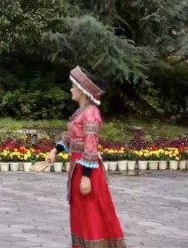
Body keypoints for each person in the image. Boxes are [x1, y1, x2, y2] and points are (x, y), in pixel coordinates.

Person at [45, 66, 127, 248]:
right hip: (77, 168)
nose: (71, 89)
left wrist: (86, 177)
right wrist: (55, 151)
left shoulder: (91, 113)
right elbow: (70, 137)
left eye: (73, 86)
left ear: (82, 91)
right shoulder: (81, 112)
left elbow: (91, 147)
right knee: (81, 214)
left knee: (92, 215)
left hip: (87, 171)